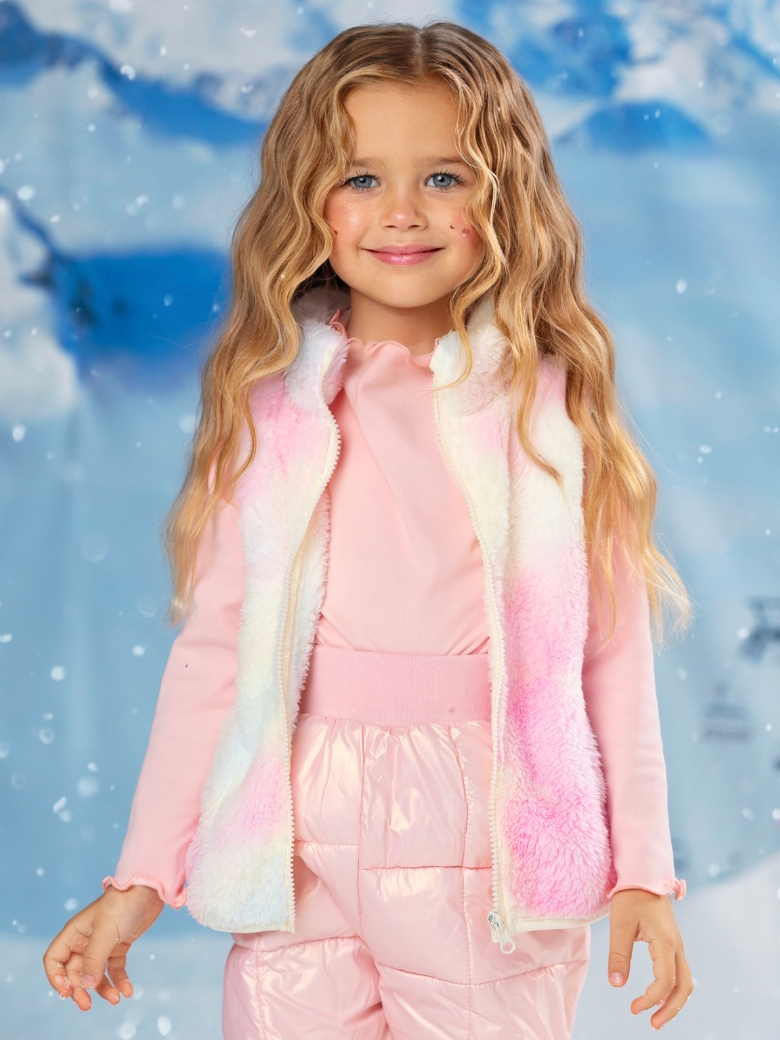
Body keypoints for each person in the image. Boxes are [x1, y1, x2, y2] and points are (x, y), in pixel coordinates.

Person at [43, 21, 694, 1039]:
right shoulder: (273, 410)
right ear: (310, 200)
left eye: (444, 177)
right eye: (360, 178)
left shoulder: (544, 411)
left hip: (487, 829)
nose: (401, 211)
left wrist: (643, 868)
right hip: (298, 831)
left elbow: (609, 653)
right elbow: (216, 655)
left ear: (504, 196)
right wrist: (140, 878)